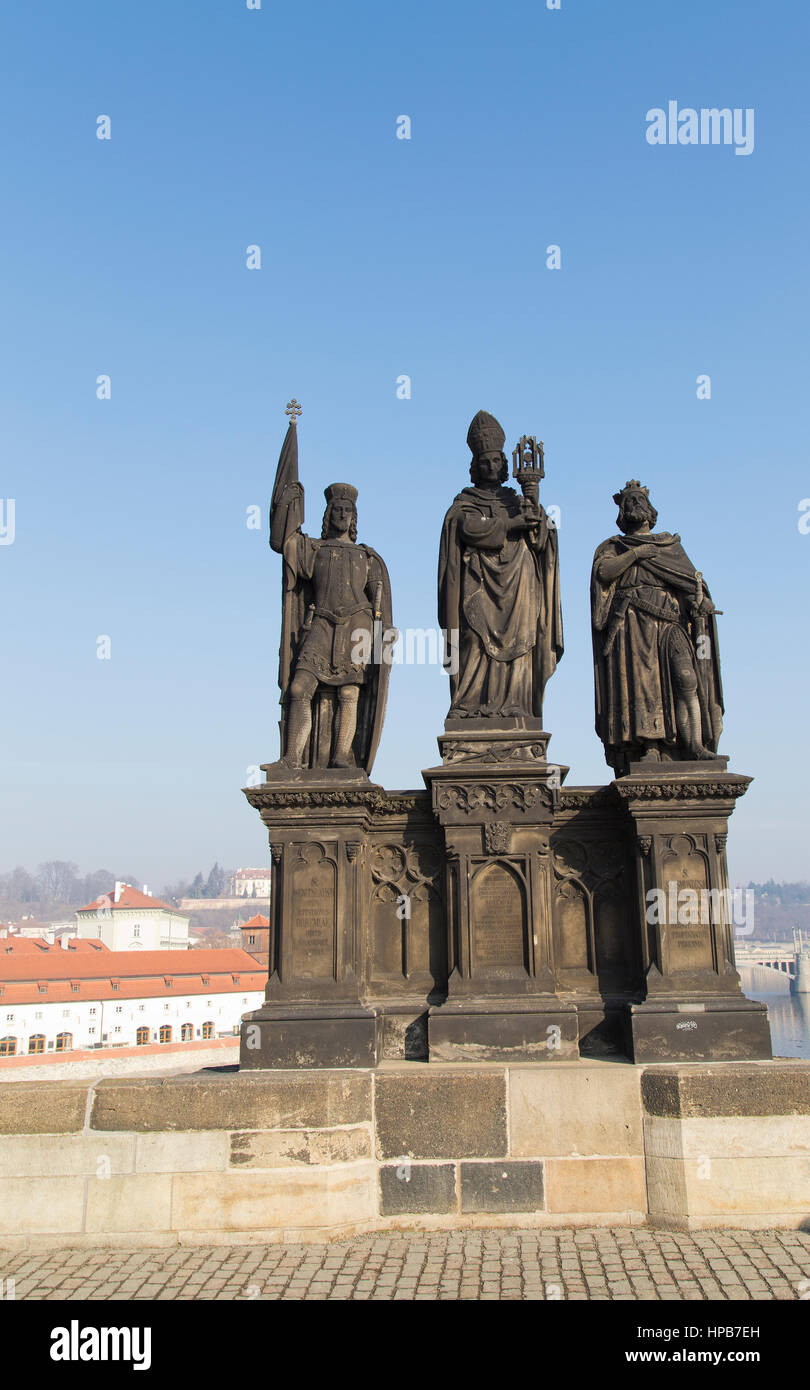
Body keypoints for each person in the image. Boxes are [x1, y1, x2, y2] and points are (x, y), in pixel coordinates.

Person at [591, 480, 723, 774]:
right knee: (643, 687)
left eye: (639, 500)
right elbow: (604, 573)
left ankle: (694, 744)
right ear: (623, 514)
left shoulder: (670, 546)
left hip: (670, 622)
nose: (634, 505)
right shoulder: (614, 547)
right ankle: (650, 746)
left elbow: (691, 585)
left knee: (687, 678)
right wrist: (637, 554)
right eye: (629, 503)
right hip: (634, 624)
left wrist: (701, 603)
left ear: (650, 511)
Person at [438, 410, 562, 720]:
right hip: (479, 580)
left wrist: (535, 510)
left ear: (505, 465)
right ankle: (470, 704)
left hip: (519, 581)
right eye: (485, 462)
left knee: (521, 642)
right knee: (472, 638)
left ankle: (515, 706)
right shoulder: (465, 501)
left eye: (496, 461)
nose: (491, 467)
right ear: (475, 466)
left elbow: (540, 541)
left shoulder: (517, 499)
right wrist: (510, 524)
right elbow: (466, 528)